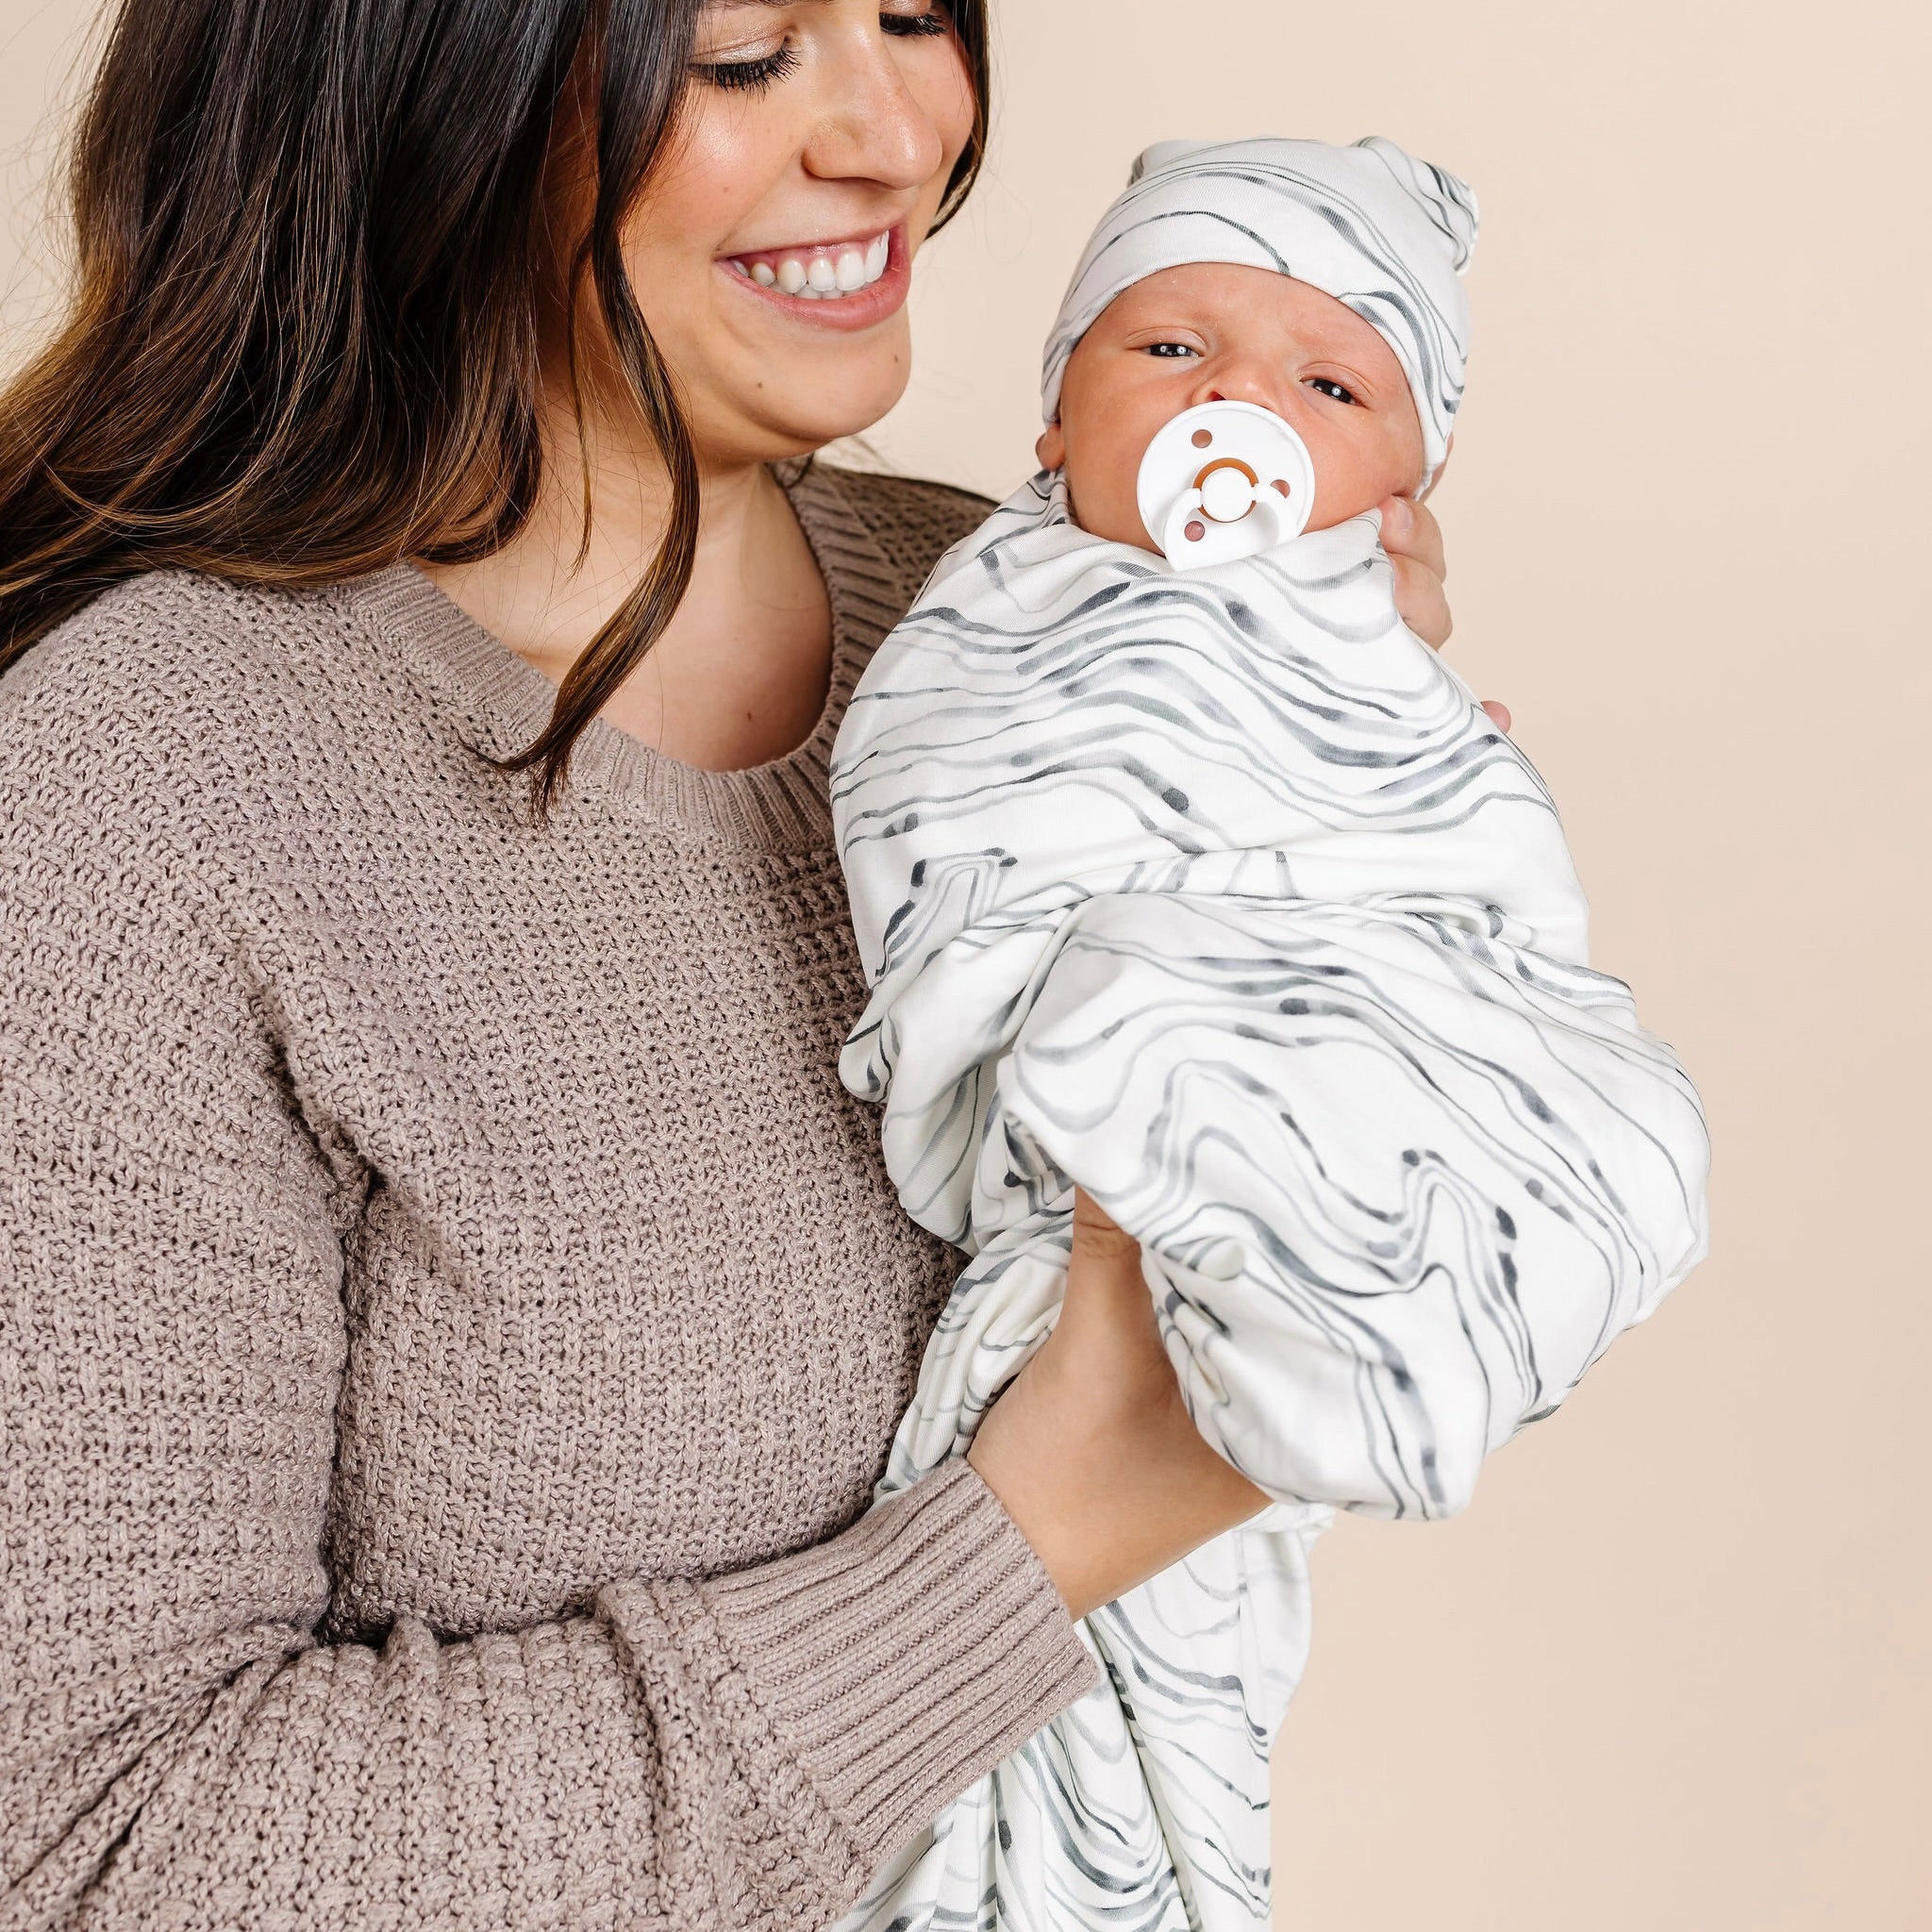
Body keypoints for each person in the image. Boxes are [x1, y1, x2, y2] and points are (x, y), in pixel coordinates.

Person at [0, 11, 1472, 1930]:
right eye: (745, 50)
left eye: (913, 19)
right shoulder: (152, 783)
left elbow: (1418, 1268)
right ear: (428, 81)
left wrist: (1354, 822)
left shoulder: (1036, 630)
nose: (893, 131)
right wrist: (1033, 1536)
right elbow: (94, 1849)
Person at [829, 137, 1709, 1930]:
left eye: (1332, 384)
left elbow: (1473, 882)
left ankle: (1356, 1315)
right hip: (1091, 1092)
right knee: (1158, 1007)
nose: (1242, 399)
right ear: (1056, 425)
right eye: (1169, 349)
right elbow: (938, 815)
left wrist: (1364, 718)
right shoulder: (979, 612)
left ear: (1402, 488)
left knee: (1628, 1115)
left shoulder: (1378, 647)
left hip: (1323, 1034)